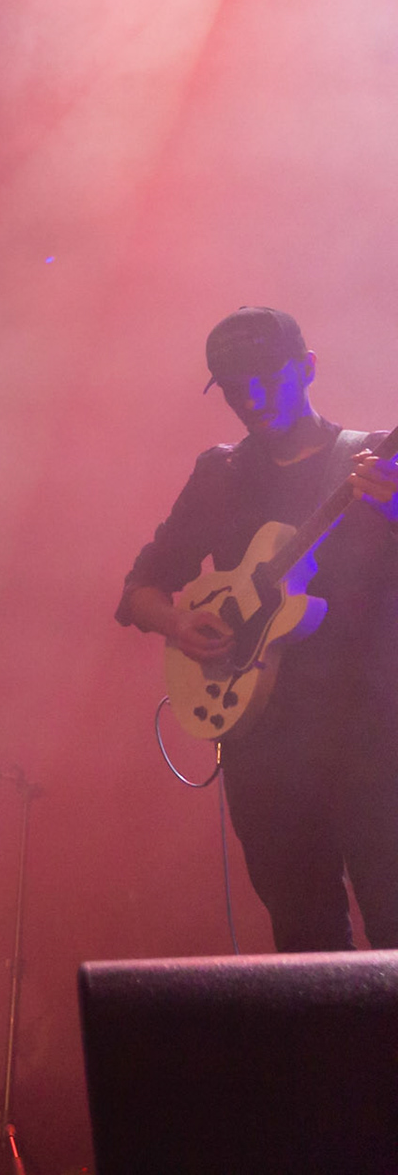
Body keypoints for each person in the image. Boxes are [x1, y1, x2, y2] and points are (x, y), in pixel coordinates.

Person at [118, 306, 398, 951]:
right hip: (264, 747)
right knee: (302, 939)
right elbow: (139, 589)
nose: (251, 396)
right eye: (234, 383)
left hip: (375, 739)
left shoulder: (373, 460)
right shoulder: (219, 474)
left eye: (267, 376)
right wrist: (179, 623)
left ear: (307, 368)